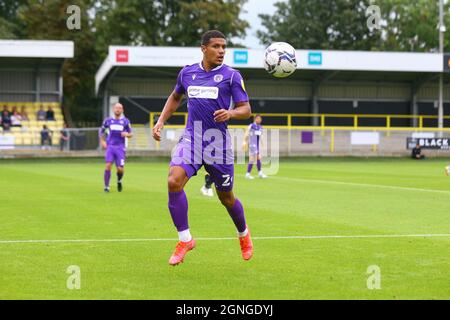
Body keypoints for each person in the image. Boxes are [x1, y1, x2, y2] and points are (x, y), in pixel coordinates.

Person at [152, 30, 253, 266]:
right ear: (203, 48)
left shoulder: (231, 76)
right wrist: (161, 120)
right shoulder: (187, 73)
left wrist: (231, 113)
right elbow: (175, 97)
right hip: (192, 139)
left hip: (218, 144)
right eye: (216, 46)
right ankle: (185, 239)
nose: (221, 51)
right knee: (173, 180)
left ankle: (243, 234)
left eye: (223, 47)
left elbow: (246, 109)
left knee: (226, 197)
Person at [99, 103, 133, 193]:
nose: (118, 109)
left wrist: (127, 134)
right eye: (116, 108)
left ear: (122, 110)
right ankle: (106, 187)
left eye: (120, 108)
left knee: (120, 169)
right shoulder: (108, 121)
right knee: (108, 165)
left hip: (120, 147)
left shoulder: (125, 121)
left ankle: (119, 180)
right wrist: (102, 141)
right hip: (110, 146)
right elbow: (101, 131)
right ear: (113, 109)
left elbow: (131, 134)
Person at [243, 114, 268, 179]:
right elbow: (246, 133)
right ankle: (258, 173)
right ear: (255, 119)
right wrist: (244, 141)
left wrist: (263, 144)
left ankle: (249, 174)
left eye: (260, 119)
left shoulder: (260, 127)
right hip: (252, 144)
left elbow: (261, 136)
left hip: (256, 145)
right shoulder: (252, 126)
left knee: (253, 159)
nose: (260, 120)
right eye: (258, 118)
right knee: (257, 157)